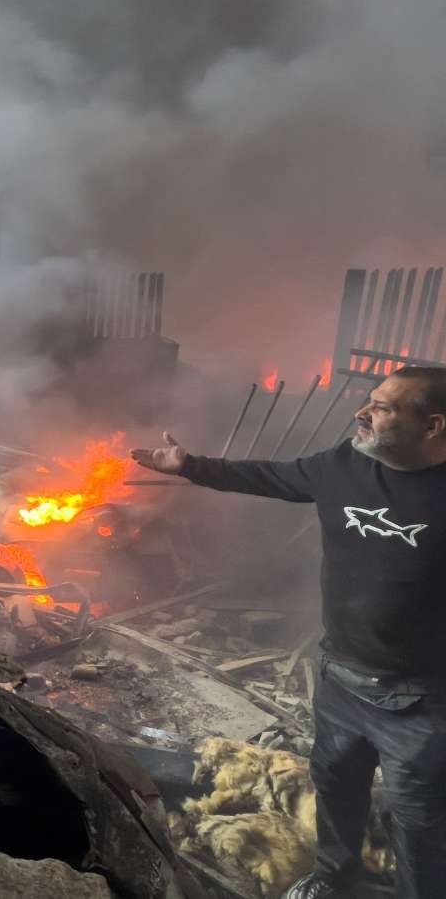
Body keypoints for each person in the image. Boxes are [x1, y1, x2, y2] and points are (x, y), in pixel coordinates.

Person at [132, 366, 446, 899]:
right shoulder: (344, 465)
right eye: (369, 401)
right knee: (335, 786)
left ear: (433, 425)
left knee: (419, 823)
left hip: (421, 702)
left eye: (382, 408)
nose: (361, 413)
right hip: (340, 677)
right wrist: (190, 466)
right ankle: (333, 875)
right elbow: (272, 477)